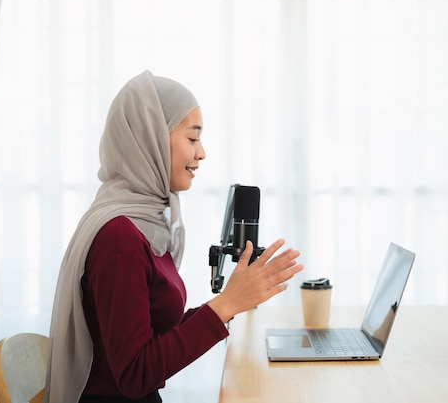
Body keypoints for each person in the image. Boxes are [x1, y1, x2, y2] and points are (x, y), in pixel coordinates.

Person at [45, 70, 303, 403]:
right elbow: (135, 374)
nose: (202, 153)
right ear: (149, 138)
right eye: (192, 138)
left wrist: (232, 302)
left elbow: (150, 336)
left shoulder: (144, 222)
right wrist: (225, 304)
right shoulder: (120, 238)